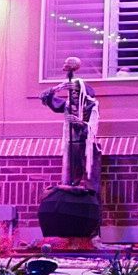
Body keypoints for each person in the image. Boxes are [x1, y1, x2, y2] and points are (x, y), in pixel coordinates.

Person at [41, 56, 100, 191]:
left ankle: (86, 191)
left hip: (85, 145)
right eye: (71, 93)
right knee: (71, 173)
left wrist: (81, 124)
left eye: (76, 93)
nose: (73, 96)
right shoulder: (68, 105)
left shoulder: (91, 106)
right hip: (71, 144)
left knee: (87, 173)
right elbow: (47, 99)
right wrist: (57, 88)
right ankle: (72, 187)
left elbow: (93, 127)